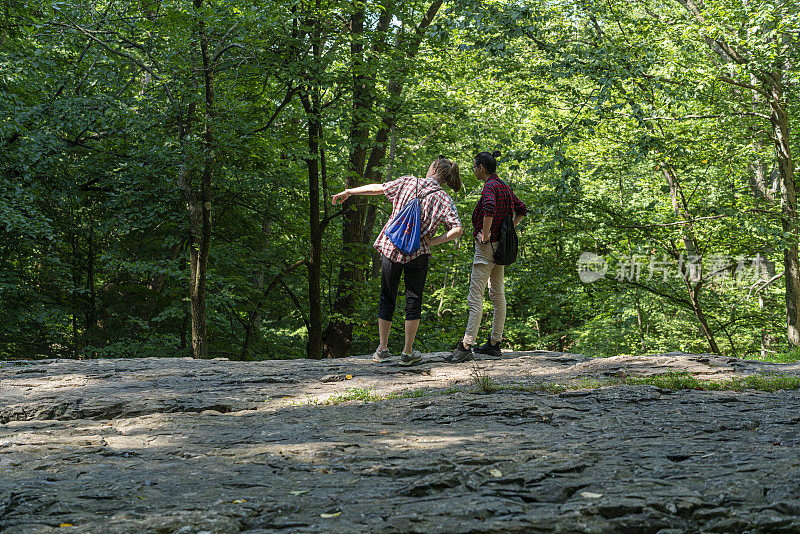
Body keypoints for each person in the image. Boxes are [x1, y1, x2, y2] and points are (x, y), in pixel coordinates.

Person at [332, 156, 463, 366]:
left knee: (387, 296)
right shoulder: (444, 198)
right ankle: (407, 353)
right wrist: (433, 241)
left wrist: (349, 191)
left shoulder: (408, 182)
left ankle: (383, 350)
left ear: (434, 167)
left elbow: (378, 189)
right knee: (414, 300)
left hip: (391, 248)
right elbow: (457, 229)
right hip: (418, 253)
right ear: (446, 177)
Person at [447, 150, 527, 362]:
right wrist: (507, 230)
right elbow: (522, 209)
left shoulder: (490, 186)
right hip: (501, 248)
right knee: (497, 294)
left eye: (474, 167)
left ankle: (466, 345)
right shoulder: (504, 186)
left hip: (487, 248)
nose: (474, 171)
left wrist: (485, 233)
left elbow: (489, 208)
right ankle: (494, 343)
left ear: (481, 167)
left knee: (475, 296)